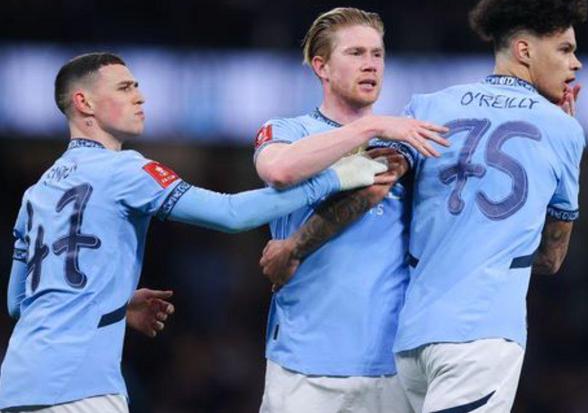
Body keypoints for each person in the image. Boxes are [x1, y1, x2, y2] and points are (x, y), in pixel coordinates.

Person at [260, 0, 588, 412]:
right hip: (479, 334)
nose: (576, 63)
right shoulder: (562, 129)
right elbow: (550, 258)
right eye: (565, 49)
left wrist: (296, 246)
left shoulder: (430, 107)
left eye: (377, 53)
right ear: (524, 50)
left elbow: (374, 186)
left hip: (409, 342)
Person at [0, 52, 390, 413]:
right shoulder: (125, 171)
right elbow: (231, 214)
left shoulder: (36, 193)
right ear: (84, 103)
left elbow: (19, 302)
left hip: (17, 382)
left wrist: (113, 301)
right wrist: (334, 179)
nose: (140, 96)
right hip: (78, 388)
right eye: (124, 87)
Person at [254, 7, 449, 413]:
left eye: (377, 54)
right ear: (321, 67)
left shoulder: (405, 143)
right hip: (303, 363)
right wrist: (369, 127)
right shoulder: (289, 130)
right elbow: (278, 170)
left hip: (391, 365)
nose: (371, 64)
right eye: (356, 53)